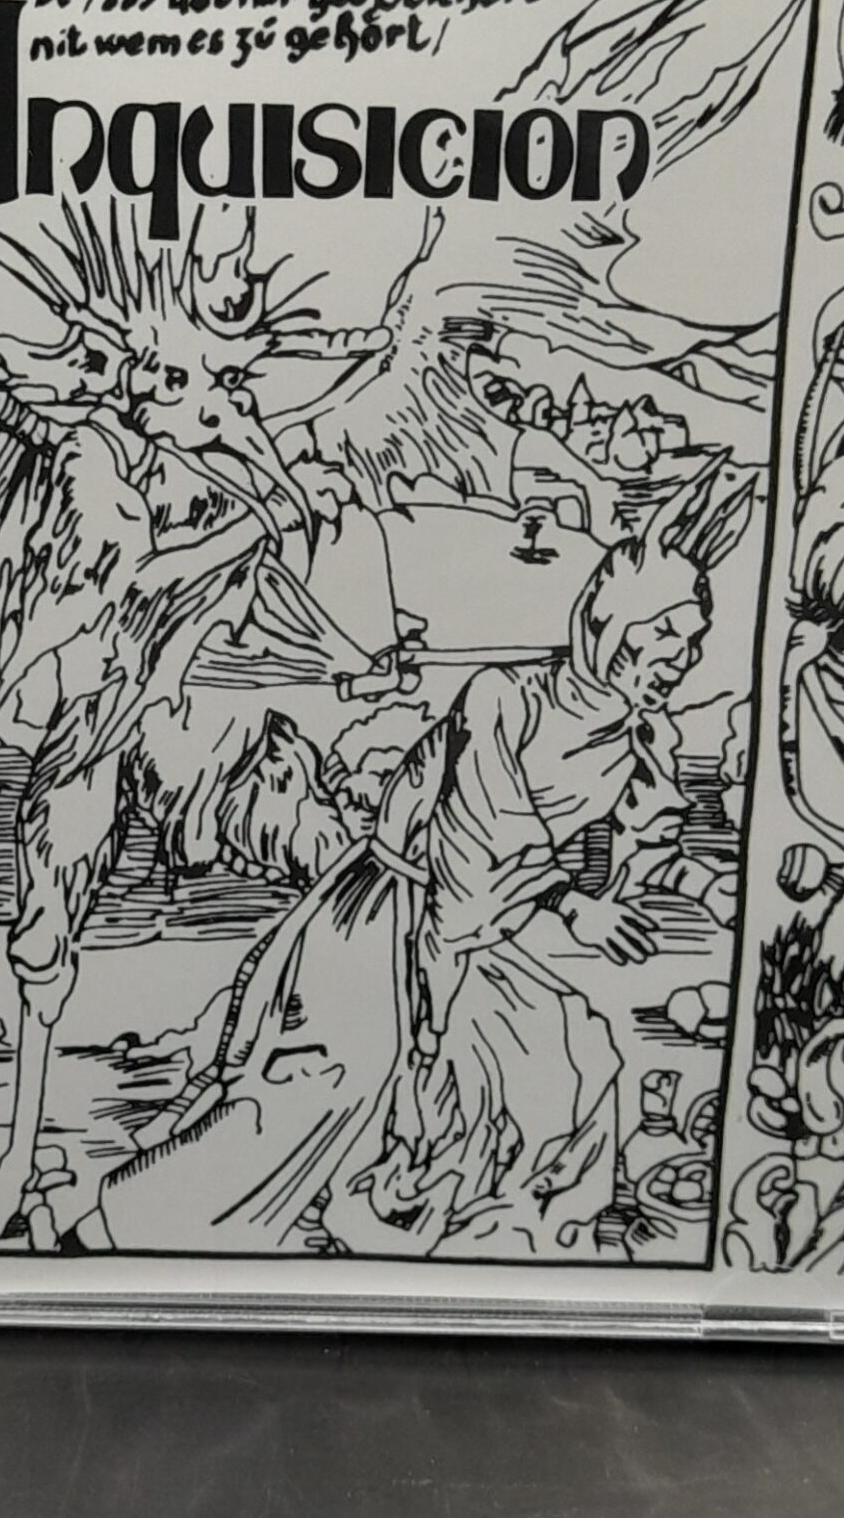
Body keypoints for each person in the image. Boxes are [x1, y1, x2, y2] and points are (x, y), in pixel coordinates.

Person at [82, 459, 758, 1260]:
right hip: (384, 915)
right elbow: (475, 843)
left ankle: (497, 1241)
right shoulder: (503, 697)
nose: (683, 655)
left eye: (694, 639)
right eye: (666, 633)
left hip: (478, 930)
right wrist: (561, 913)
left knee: (573, 1049)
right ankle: (119, 1230)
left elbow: (634, 853)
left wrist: (705, 884)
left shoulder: (636, 744)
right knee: (339, 1077)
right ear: (609, 622)